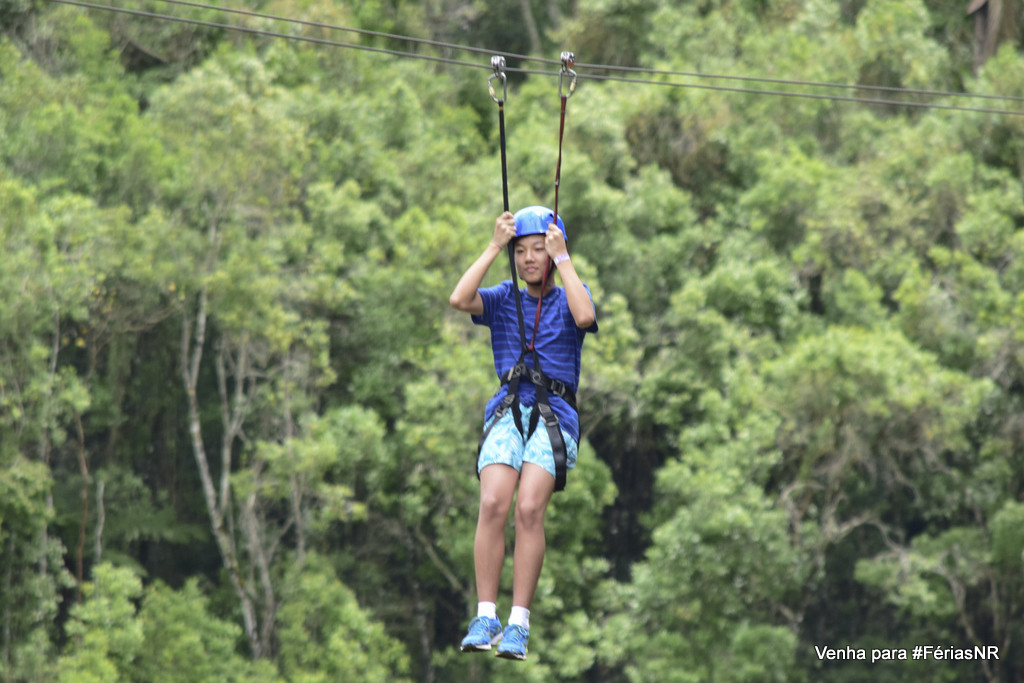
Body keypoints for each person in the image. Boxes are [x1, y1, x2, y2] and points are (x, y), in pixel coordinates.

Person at [448, 206, 598, 661]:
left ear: (551, 253)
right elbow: (459, 298)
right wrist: (495, 244)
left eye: (538, 250)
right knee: (494, 502)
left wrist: (563, 256)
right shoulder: (502, 299)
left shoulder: (569, 295)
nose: (529, 259)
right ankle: (485, 616)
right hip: (508, 410)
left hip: (556, 417)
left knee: (529, 508)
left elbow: (585, 317)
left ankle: (518, 623)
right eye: (521, 252)